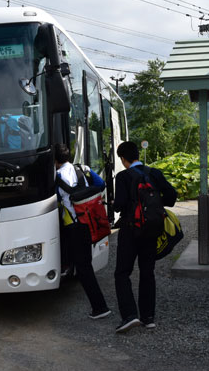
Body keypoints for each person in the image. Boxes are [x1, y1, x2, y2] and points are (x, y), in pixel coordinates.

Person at [112, 141, 177, 334]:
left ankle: (130, 315)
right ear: (138, 155)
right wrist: (155, 202)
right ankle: (148, 317)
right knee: (147, 271)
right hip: (152, 228)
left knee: (122, 273)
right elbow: (171, 197)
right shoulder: (154, 173)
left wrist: (117, 203)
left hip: (131, 230)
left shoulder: (123, 176)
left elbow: (119, 206)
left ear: (123, 159)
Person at [54, 144, 111, 320]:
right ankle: (99, 306)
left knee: (84, 267)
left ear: (54, 160)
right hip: (89, 221)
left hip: (74, 225)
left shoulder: (56, 177)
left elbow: (55, 201)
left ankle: (100, 307)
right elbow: (101, 184)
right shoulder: (81, 168)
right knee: (85, 263)